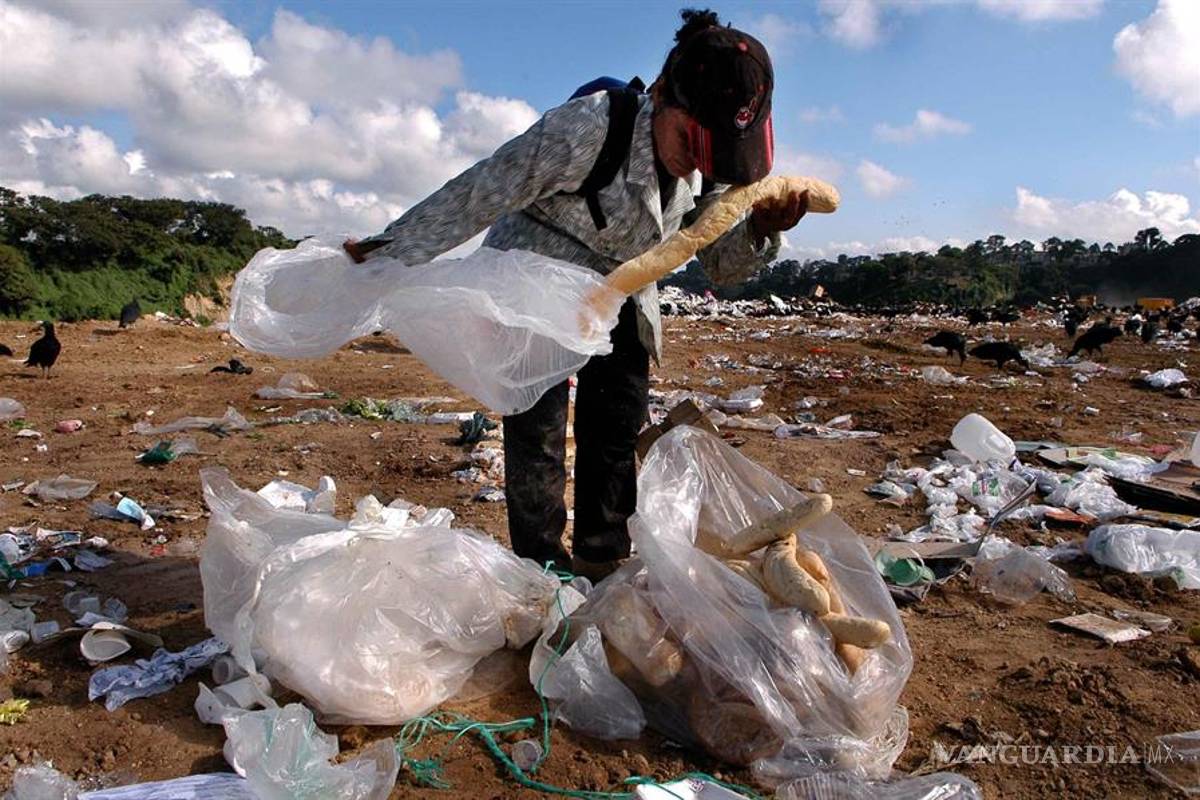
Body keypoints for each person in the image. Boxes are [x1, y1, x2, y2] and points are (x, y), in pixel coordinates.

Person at [345, 9, 809, 579]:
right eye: (691, 142)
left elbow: (720, 263)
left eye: (713, 152)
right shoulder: (588, 129)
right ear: (663, 95)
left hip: (623, 291)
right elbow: (480, 192)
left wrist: (763, 230)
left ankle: (601, 557)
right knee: (536, 431)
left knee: (615, 426)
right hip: (537, 280)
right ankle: (540, 568)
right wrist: (391, 250)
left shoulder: (710, 170)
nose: (697, 162)